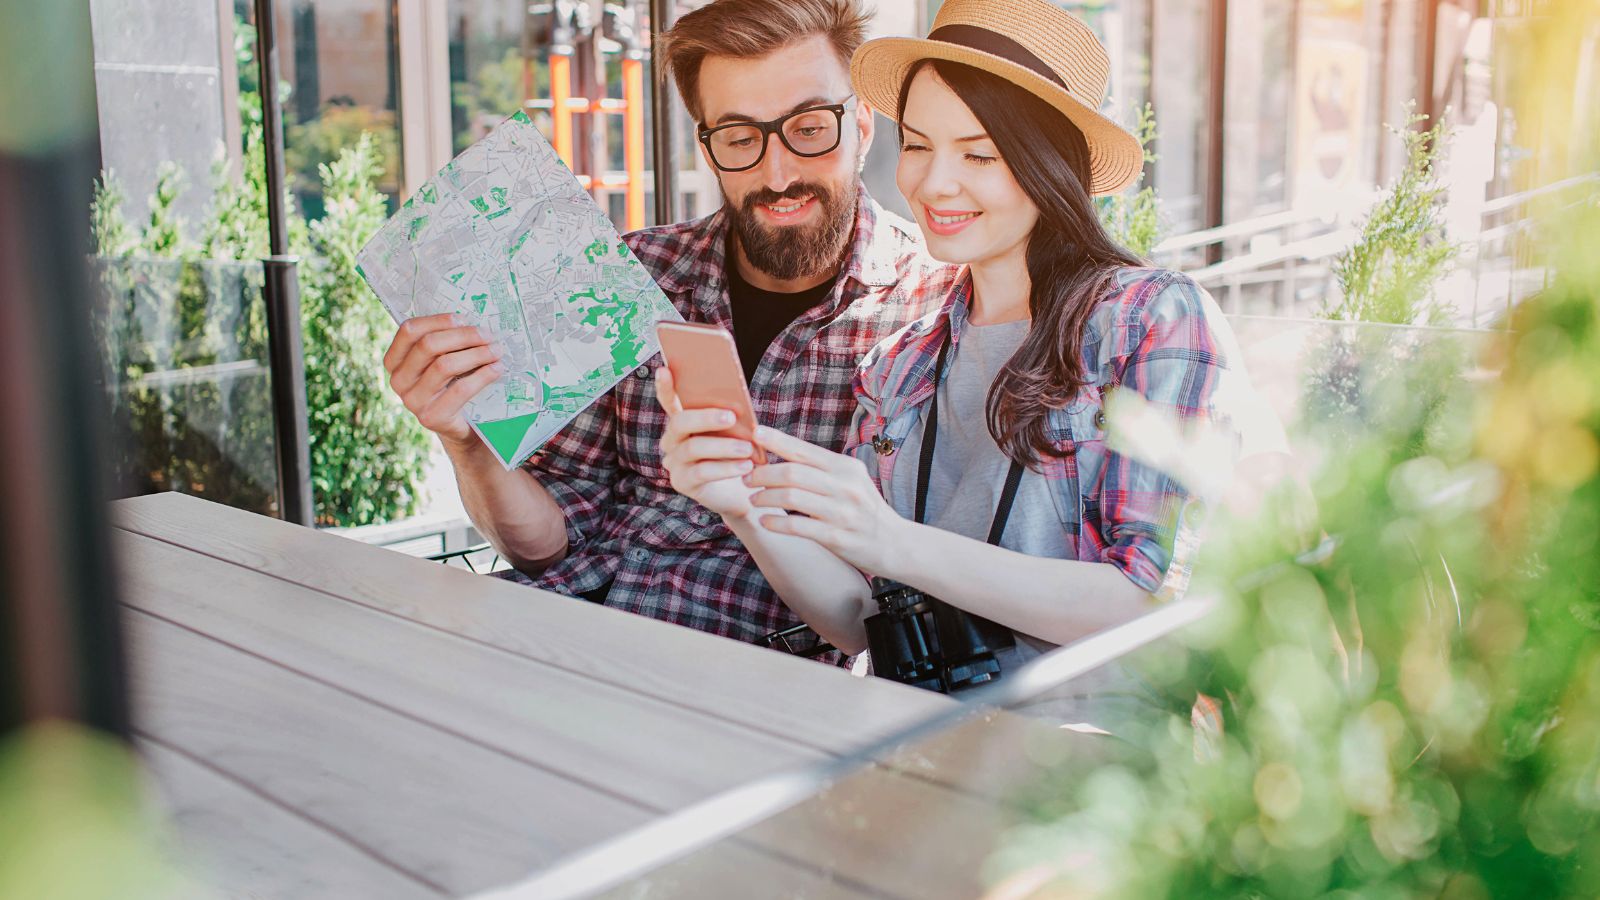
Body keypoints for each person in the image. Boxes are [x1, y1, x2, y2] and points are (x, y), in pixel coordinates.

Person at [657, 0, 1256, 729]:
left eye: (979, 154)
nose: (935, 184)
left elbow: (1147, 599)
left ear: (1047, 162)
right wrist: (738, 500)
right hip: (911, 751)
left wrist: (893, 539)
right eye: (918, 145)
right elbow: (859, 619)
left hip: (1092, 776)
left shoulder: (1149, 318)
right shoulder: (903, 358)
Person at [381, 0, 958, 645]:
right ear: (708, 150)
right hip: (570, 636)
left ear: (864, 125)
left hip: (778, 678)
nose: (778, 172)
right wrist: (468, 444)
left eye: (810, 127)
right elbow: (546, 547)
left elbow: (918, 588)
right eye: (740, 138)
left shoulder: (936, 307)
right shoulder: (633, 273)